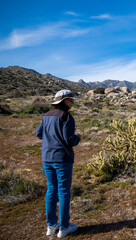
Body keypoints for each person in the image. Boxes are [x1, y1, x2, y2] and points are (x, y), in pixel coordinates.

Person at [36, 89, 81, 238]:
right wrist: (78, 138)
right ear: (63, 101)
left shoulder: (46, 116)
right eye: (70, 100)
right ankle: (64, 228)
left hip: (47, 158)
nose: (72, 102)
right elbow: (69, 140)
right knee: (63, 192)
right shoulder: (66, 117)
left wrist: (51, 139)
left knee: (51, 190)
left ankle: (51, 225)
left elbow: (39, 133)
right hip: (62, 159)